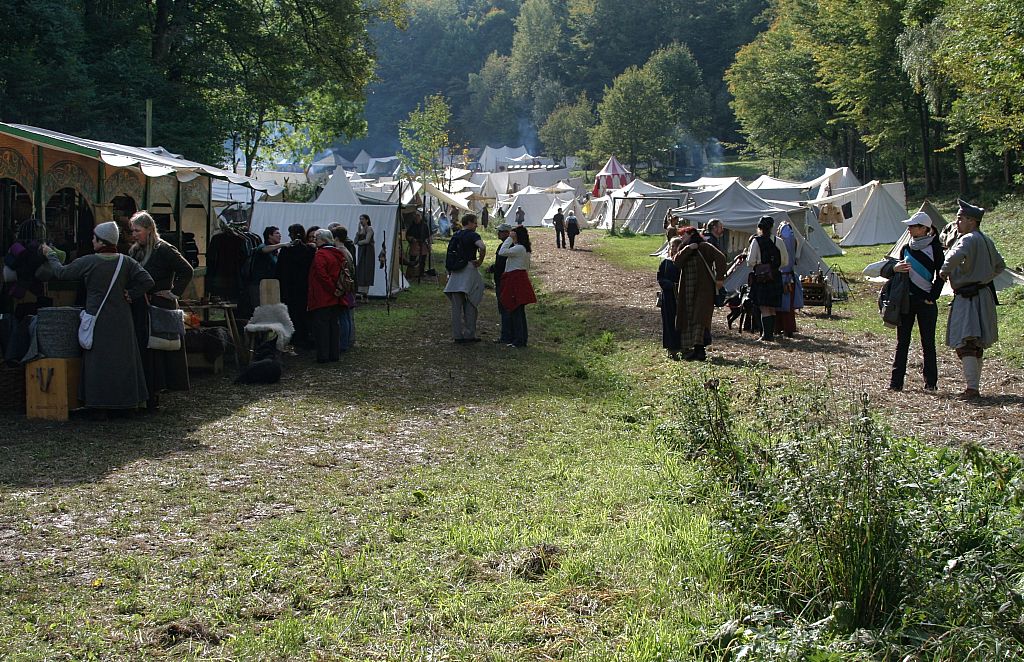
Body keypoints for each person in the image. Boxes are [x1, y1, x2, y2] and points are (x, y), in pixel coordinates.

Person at [41, 222, 153, 417]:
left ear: (102, 241)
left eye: (95, 238)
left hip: (98, 319)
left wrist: (50, 255)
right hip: (122, 320)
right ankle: (126, 403)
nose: (92, 241)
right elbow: (147, 281)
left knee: (98, 363)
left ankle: (98, 404)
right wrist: (131, 294)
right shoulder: (126, 262)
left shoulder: (89, 261)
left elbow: (61, 273)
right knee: (122, 361)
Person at [939, 199, 1006, 399]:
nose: (957, 222)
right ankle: (974, 386)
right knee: (975, 343)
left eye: (960, 219)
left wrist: (944, 272)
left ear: (971, 221)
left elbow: (952, 257)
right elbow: (1000, 266)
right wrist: (983, 279)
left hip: (969, 297)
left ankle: (972, 388)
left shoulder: (967, 240)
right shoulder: (986, 240)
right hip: (983, 294)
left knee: (967, 342)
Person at [127, 211, 194, 410]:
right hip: (141, 306)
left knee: (157, 349)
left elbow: (186, 270)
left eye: (137, 230)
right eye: (132, 231)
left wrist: (174, 293)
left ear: (149, 229)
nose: (134, 234)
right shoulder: (136, 251)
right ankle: (145, 392)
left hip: (159, 305)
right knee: (144, 349)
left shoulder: (164, 249)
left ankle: (154, 395)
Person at [881, 211, 945, 392]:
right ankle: (896, 383)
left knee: (928, 344)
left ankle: (930, 383)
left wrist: (932, 297)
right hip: (906, 301)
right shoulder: (906, 248)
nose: (909, 229)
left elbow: (941, 275)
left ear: (924, 229)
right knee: (902, 343)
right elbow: (899, 272)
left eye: (913, 226)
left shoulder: (936, 249)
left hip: (926, 302)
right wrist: (897, 268)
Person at [674, 227, 727, 361]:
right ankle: (691, 349)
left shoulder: (704, 247)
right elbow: (677, 262)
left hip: (703, 291)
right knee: (688, 317)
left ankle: (700, 351)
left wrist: (720, 278)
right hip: (687, 291)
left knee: (700, 319)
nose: (682, 237)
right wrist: (688, 248)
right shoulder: (684, 248)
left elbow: (720, 258)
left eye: (684, 235)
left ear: (691, 234)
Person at [444, 213, 487, 343]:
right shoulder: (472, 235)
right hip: (468, 269)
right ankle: (469, 334)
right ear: (469, 222)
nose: (476, 225)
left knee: (456, 307)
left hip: (456, 271)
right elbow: (482, 246)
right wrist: (480, 260)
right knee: (472, 303)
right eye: (475, 223)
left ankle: (457, 335)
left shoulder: (456, 235)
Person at [307, 228, 349, 363]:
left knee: (322, 327)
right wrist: (337, 290)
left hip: (323, 296)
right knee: (333, 326)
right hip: (335, 296)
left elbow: (321, 275)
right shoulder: (337, 253)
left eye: (316, 238)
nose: (315, 241)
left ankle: (323, 355)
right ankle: (334, 354)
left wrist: (332, 289)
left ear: (323, 240)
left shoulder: (321, 254)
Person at [746, 216, 788, 342]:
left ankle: (767, 336)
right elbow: (785, 261)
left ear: (759, 227)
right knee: (772, 308)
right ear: (772, 227)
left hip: (761, 277)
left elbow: (751, 261)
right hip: (775, 276)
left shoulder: (756, 241)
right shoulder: (779, 241)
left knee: (764, 307)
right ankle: (770, 334)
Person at [498, 225, 537, 348]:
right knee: (518, 311)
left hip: (516, 280)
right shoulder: (522, 248)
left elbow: (502, 252)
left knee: (516, 310)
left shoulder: (519, 248)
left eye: (513, 233)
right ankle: (520, 339)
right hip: (518, 279)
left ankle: (519, 340)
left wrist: (508, 239)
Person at [276, 224, 314, 348]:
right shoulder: (309, 250)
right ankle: (304, 336)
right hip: (304, 286)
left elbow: (279, 270)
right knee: (303, 312)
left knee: (291, 313)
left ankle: (294, 336)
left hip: (289, 287)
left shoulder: (286, 250)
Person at [247, 225, 290, 310]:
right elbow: (264, 249)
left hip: (269, 285)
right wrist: (283, 245)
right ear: (270, 235)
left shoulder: (275, 252)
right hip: (258, 285)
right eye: (277, 233)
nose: (280, 235)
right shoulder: (263, 246)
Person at [775, 218, 804, 338]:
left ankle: (787, 328)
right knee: (780, 305)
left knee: (786, 305)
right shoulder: (785, 241)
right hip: (782, 276)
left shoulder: (787, 240)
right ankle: (779, 327)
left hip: (786, 277)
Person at [331, 226, 357, 352]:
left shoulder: (340, 251)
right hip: (348, 286)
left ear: (335, 237)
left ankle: (344, 343)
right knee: (346, 315)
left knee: (344, 315)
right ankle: (347, 341)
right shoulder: (346, 250)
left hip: (344, 287)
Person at [487, 223, 514, 344]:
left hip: (504, 280)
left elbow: (501, 264)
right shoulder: (505, 246)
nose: (498, 233)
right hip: (503, 279)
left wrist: (492, 268)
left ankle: (506, 336)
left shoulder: (507, 247)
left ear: (507, 233)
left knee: (505, 308)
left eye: (501, 232)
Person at [658, 237, 684, 359]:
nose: (673, 249)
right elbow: (660, 278)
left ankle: (681, 346)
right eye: (671, 246)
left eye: (675, 246)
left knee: (680, 322)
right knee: (668, 322)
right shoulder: (665, 262)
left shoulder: (684, 262)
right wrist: (671, 285)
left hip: (681, 297)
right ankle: (670, 348)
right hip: (668, 296)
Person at [355, 214, 375, 298]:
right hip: (361, 251)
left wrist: (360, 242)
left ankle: (365, 292)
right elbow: (355, 241)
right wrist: (358, 232)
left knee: (366, 269)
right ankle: (360, 292)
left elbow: (367, 240)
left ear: (367, 220)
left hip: (368, 251)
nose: (361, 221)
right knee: (360, 269)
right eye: (360, 219)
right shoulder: (361, 230)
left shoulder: (369, 228)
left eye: (362, 219)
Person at [406, 212, 431, 278]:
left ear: (420, 217)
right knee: (413, 259)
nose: (416, 219)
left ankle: (421, 272)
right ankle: (411, 273)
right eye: (415, 218)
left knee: (422, 260)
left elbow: (428, 236)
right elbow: (408, 235)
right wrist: (411, 239)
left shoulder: (424, 226)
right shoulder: (412, 226)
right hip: (414, 244)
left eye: (418, 217)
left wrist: (429, 245)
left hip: (423, 243)